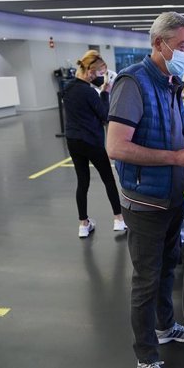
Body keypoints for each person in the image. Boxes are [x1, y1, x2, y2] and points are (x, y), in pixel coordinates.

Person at [106, 12, 184, 368]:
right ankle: (146, 358)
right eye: (183, 46)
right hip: (144, 201)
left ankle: (166, 327)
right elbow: (116, 147)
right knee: (146, 282)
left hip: (170, 196)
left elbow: (169, 137)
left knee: (169, 268)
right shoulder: (133, 82)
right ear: (159, 44)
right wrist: (175, 158)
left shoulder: (171, 83)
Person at [62, 50, 126, 238]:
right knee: (108, 178)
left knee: (82, 181)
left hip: (73, 141)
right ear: (90, 72)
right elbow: (105, 115)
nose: (100, 78)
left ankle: (83, 224)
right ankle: (119, 219)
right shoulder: (90, 92)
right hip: (92, 141)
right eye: (99, 74)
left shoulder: (68, 87)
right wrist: (105, 92)